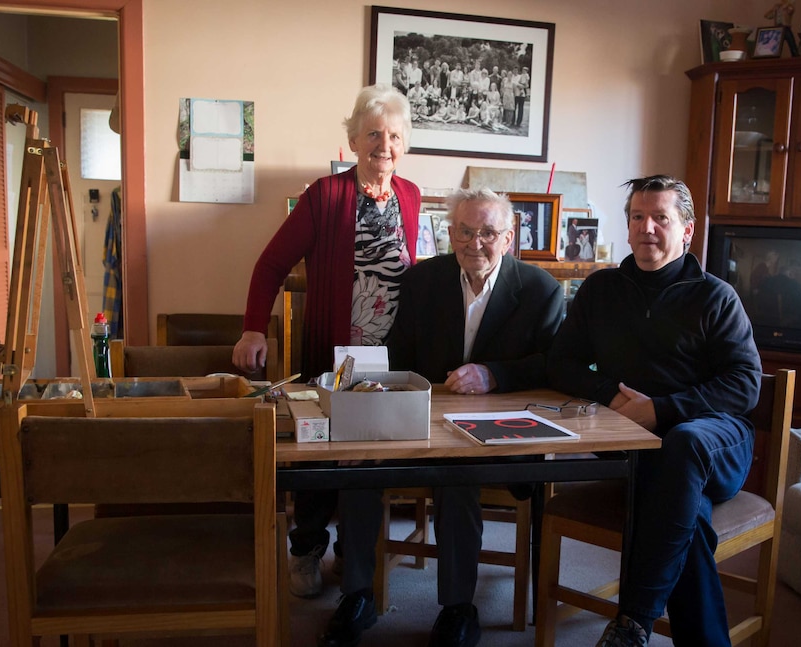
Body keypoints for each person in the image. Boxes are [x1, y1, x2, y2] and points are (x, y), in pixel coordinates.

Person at [317, 188, 565, 647]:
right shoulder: (422, 282)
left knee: (456, 476)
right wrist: (366, 383)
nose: (475, 243)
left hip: (496, 434)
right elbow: (400, 355)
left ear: (509, 238)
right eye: (465, 232)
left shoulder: (540, 290)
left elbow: (555, 364)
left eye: (488, 233)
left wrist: (494, 374)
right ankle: (357, 596)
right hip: (423, 418)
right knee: (356, 463)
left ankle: (457, 608)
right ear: (450, 233)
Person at [548, 175, 762, 647]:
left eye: (661, 218)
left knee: (683, 442)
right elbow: (559, 361)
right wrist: (612, 397)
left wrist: (661, 410)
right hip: (635, 447)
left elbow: (745, 385)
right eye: (638, 217)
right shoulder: (601, 290)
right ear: (627, 228)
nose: (648, 228)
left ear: (686, 230)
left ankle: (634, 620)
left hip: (715, 441)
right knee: (690, 523)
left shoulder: (715, 296)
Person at [233, 83, 421, 600]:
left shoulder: (410, 194)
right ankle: (307, 548)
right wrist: (253, 326)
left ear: (404, 144)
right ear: (354, 140)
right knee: (323, 450)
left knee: (371, 453)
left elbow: (409, 269)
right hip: (335, 354)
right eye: (374, 134)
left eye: (395, 136)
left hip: (387, 357)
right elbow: (271, 263)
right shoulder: (326, 195)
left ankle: (353, 549)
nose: (385, 144)